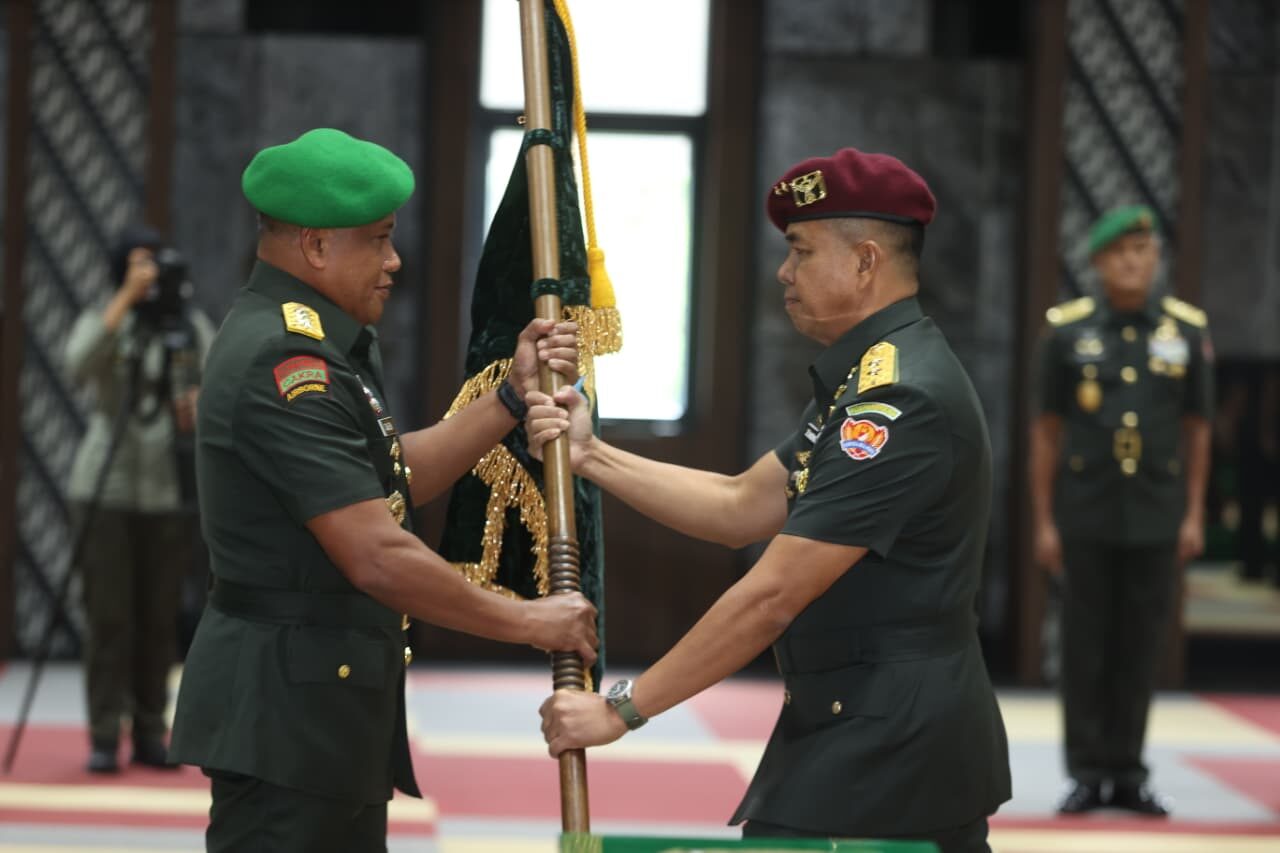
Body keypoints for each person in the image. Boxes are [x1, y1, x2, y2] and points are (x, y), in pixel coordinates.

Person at [533, 148, 1010, 852]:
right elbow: (739, 506)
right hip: (864, 726)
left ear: (866, 262)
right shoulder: (868, 379)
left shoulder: (897, 397)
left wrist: (620, 710)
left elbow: (772, 594)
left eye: (801, 250)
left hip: (889, 750)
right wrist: (590, 455)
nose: (784, 272)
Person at [167, 128, 598, 852]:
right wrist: (530, 620)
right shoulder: (285, 363)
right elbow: (376, 553)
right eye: (379, 240)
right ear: (315, 247)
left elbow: (390, 477)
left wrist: (510, 402)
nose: (394, 262)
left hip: (315, 713)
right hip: (289, 722)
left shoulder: (310, 342)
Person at [1029, 205, 1214, 816]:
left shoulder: (1185, 332)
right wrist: (1044, 520)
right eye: (1123, 253)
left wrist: (1193, 514)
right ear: (1100, 262)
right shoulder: (1067, 331)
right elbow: (1047, 432)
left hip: (1157, 512)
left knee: (1141, 646)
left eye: (1146, 252)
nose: (1136, 262)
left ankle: (1129, 771)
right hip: (1086, 511)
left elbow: (1197, 431)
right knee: (1085, 645)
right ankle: (1085, 772)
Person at [64, 225, 217, 774]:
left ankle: (152, 728)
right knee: (108, 618)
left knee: (158, 618)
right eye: (138, 266)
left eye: (156, 266)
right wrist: (126, 299)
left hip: (169, 489)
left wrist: (204, 401)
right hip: (105, 488)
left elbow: (224, 386)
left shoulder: (189, 325)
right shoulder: (110, 316)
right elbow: (78, 363)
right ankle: (105, 733)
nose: (151, 276)